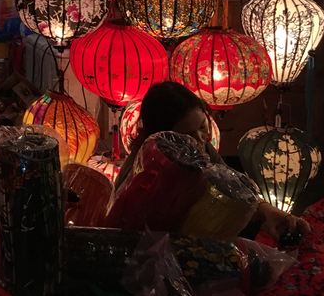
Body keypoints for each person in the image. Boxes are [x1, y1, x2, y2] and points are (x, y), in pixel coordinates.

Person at [115, 81, 311, 241]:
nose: (201, 138)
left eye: (203, 126)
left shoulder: (198, 149)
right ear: (163, 137)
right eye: (187, 134)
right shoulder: (143, 171)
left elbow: (234, 190)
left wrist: (272, 214)